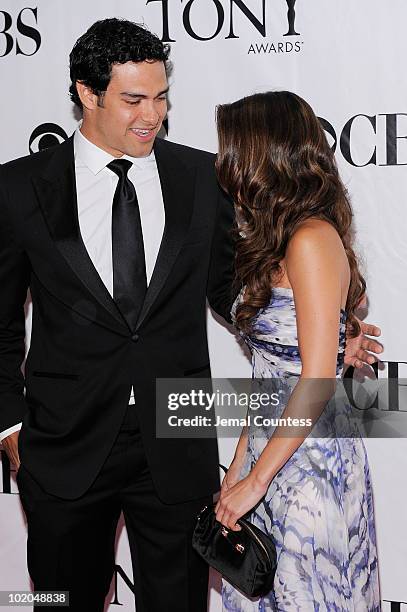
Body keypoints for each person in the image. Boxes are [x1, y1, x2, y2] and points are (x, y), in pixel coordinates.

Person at [0, 19, 381, 612]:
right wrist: (10, 429)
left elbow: (239, 290)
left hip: (176, 444)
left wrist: (323, 337)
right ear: (86, 93)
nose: (151, 115)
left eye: (160, 97)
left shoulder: (202, 179)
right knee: (54, 600)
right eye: (132, 100)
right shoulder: (19, 188)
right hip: (63, 447)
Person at [214, 91, 381, 610]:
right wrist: (239, 473)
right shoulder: (275, 239)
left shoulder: (310, 239)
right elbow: (268, 378)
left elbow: (315, 379)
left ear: (266, 154)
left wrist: (255, 480)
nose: (226, 162)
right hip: (273, 455)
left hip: (309, 467)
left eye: (235, 148)